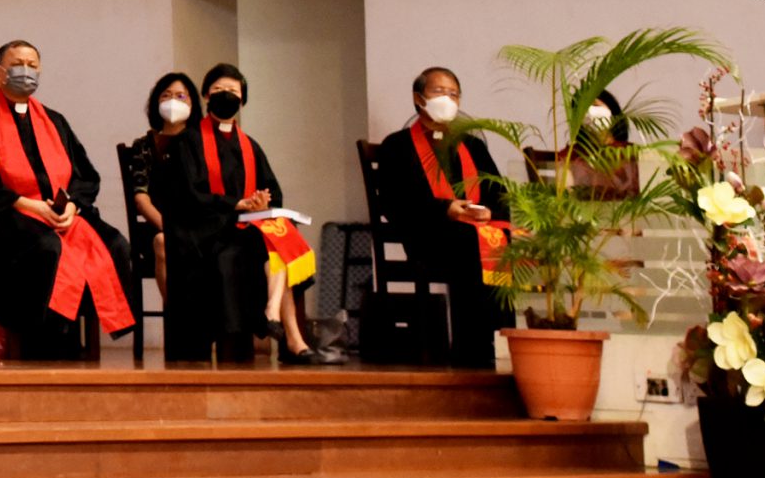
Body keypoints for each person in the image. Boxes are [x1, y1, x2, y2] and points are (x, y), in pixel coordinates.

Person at [0, 39, 136, 358]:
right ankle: (50, 342)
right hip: (4, 218)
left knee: (115, 244)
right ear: (0, 72)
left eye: (32, 65)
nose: (26, 71)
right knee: (48, 247)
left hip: (57, 215)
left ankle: (72, 330)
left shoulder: (54, 120)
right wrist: (26, 204)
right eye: (17, 64)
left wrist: (72, 206)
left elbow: (86, 175)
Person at [157, 63, 337, 364]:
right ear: (205, 96)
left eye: (232, 91)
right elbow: (189, 195)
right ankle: (290, 335)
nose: (225, 95)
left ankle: (278, 320)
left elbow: (273, 190)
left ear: (242, 100)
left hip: (244, 228)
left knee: (279, 237)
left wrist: (261, 202)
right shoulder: (189, 141)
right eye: (218, 90)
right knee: (269, 244)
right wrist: (235, 205)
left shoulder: (250, 145)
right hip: (205, 230)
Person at [375, 65, 513, 369]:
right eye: (439, 92)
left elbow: (499, 192)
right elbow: (394, 201)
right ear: (418, 98)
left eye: (454, 94)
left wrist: (489, 211)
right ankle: (473, 347)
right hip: (427, 232)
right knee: (468, 240)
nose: (447, 99)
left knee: (501, 238)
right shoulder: (397, 146)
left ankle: (503, 340)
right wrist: (444, 209)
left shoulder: (472, 145)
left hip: (473, 229)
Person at [123, 71, 196, 305]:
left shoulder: (201, 143)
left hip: (197, 226)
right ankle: (176, 316)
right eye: (166, 95)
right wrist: (170, 228)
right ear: (156, 102)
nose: (173, 101)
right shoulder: (144, 146)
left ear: (193, 103)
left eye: (181, 96)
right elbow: (141, 199)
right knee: (164, 242)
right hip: (157, 228)